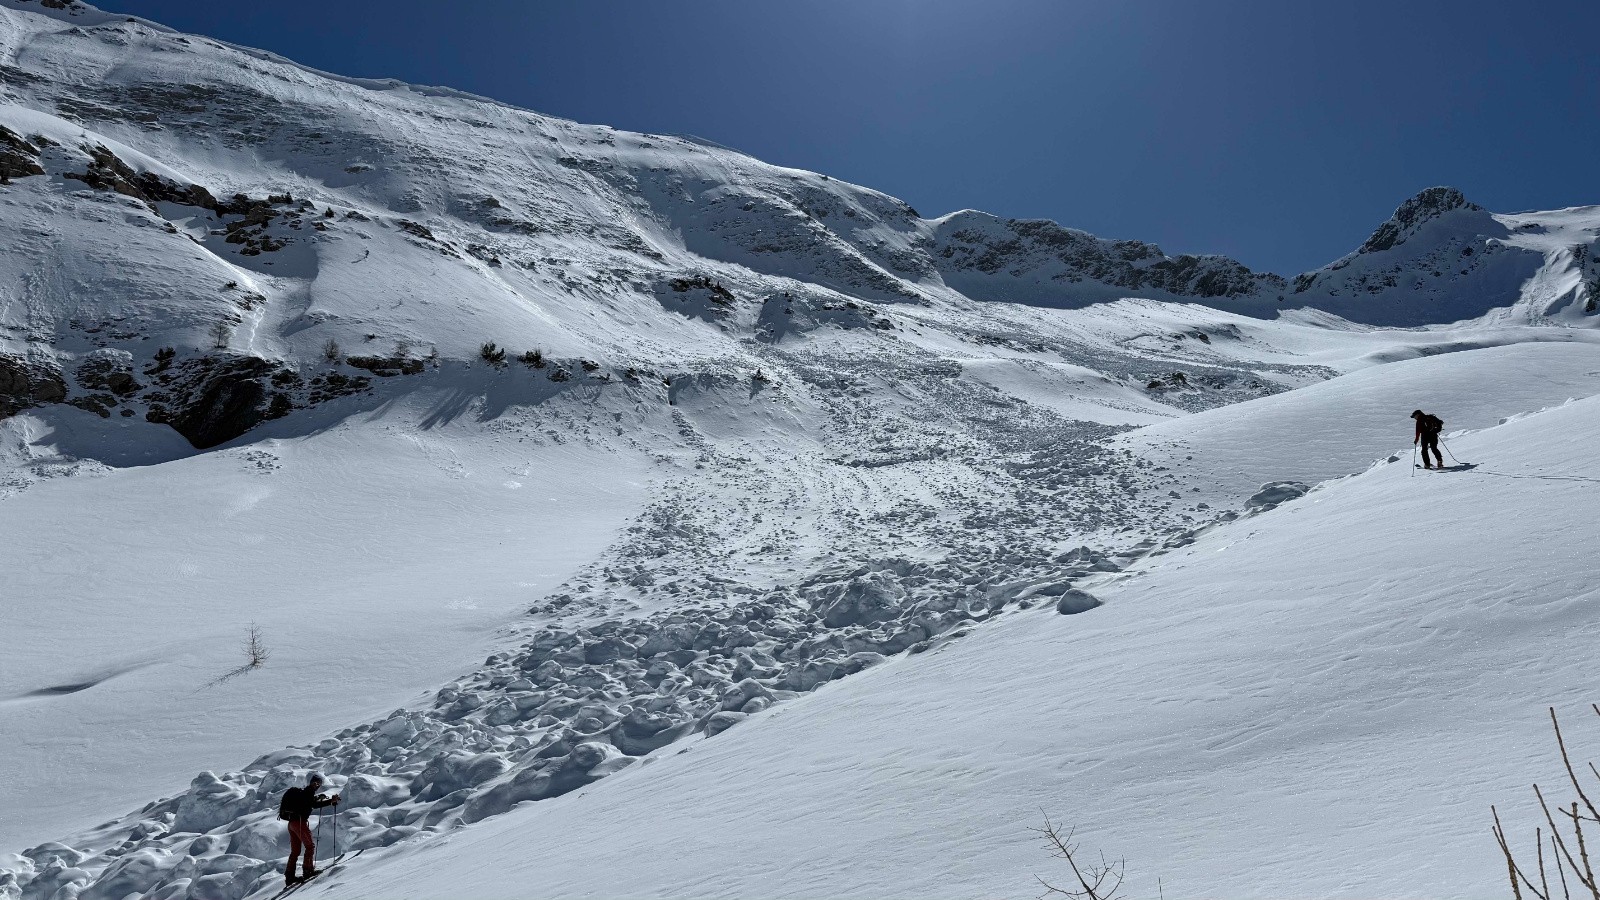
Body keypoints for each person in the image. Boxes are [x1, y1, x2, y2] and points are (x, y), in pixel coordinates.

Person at [278, 774, 339, 886]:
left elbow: (311, 803)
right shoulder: (308, 792)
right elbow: (314, 805)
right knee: (310, 846)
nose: (317, 785)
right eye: (316, 783)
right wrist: (331, 801)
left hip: (292, 823)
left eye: (318, 784)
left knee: (295, 851)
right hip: (300, 823)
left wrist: (324, 800)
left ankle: (289, 877)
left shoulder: (303, 793)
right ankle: (308, 871)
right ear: (312, 783)